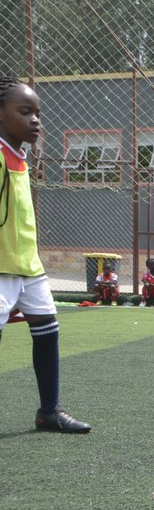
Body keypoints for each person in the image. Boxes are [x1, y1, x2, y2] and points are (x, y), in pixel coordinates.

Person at [0, 76, 90, 432]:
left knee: (47, 330)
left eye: (38, 113)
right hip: (1, 267)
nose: (36, 120)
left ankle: (49, 411)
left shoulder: (18, 156)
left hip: (28, 266)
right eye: (25, 112)